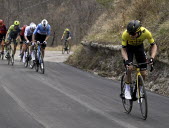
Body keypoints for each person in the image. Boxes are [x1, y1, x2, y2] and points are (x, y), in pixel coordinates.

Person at [121, 20, 157, 99]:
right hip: (129, 48)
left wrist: (152, 58)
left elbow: (154, 46)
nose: (130, 35)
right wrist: (127, 60)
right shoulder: (125, 34)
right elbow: (123, 49)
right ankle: (127, 87)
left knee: (143, 73)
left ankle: (140, 89)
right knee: (129, 68)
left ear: (139, 32)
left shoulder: (146, 32)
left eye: (133, 34)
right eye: (129, 33)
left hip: (139, 48)